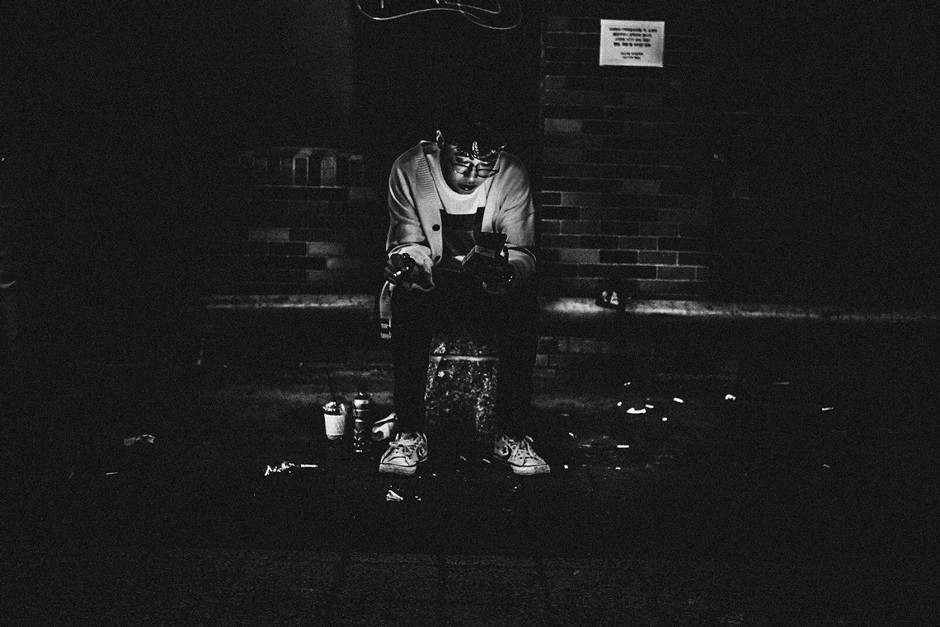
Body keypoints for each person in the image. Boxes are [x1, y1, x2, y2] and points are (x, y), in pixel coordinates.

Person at [377, 119, 550, 477]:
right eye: (463, 163)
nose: (473, 174)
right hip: (432, 285)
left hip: (488, 289)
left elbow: (524, 252)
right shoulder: (409, 169)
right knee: (407, 303)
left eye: (485, 165)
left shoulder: (512, 173)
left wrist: (508, 271)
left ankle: (513, 435)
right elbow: (406, 239)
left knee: (524, 309)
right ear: (442, 142)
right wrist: (408, 265)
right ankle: (410, 433)